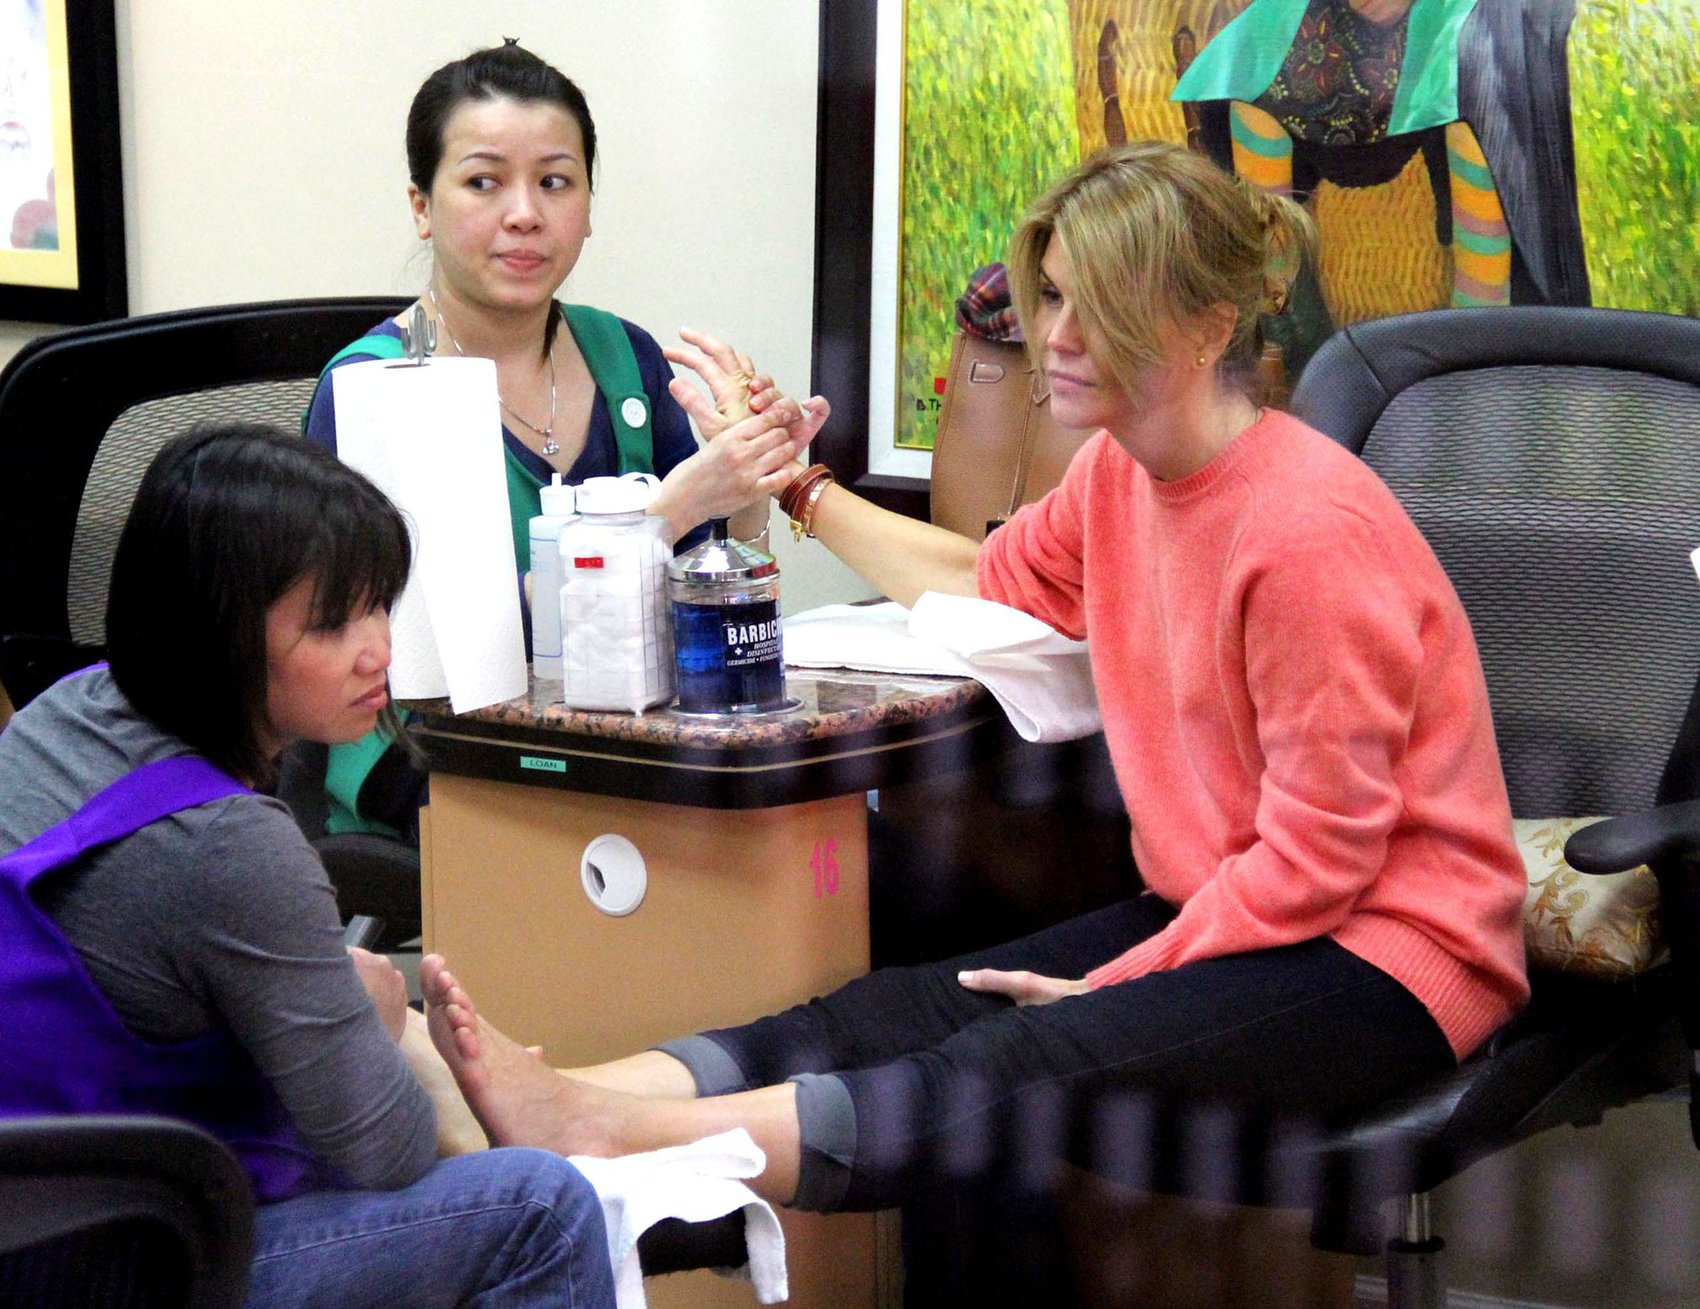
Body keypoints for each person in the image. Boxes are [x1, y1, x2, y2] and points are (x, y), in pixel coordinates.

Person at [420, 140, 1529, 1287]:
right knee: (908, 1002)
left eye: (1096, 305)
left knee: (1014, 1058)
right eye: (1051, 295)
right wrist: (799, 484)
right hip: (1235, 906)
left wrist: (1124, 978)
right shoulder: (1120, 478)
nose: (1054, 335)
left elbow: (1322, 862)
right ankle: (580, 1098)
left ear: (1205, 327)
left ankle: (608, 1140)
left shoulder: (1307, 533)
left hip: (1386, 957)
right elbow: (977, 578)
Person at [0, 424, 613, 1307]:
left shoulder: (65, 711)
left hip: (44, 1209)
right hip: (105, 1268)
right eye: (333, 623)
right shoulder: (226, 845)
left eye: (378, 606)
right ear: (217, 634)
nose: (379, 652)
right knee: (541, 1206)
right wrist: (373, 1004)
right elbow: (387, 1150)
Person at [302, 39, 819, 839]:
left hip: (623, 731)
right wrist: (659, 515)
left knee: (822, 825)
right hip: (434, 748)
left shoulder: (626, 357)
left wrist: (748, 486)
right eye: (483, 181)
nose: (525, 213)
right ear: (420, 205)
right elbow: (422, 661)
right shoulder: (375, 387)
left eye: (555, 181)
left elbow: (697, 581)